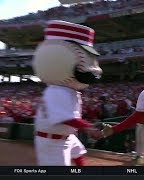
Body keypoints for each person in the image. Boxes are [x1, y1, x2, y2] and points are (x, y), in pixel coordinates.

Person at [32, 20, 103, 166]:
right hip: (51, 141)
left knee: (78, 151)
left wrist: (85, 126)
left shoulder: (68, 88)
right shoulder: (57, 90)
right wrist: (88, 127)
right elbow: (66, 118)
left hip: (65, 135)